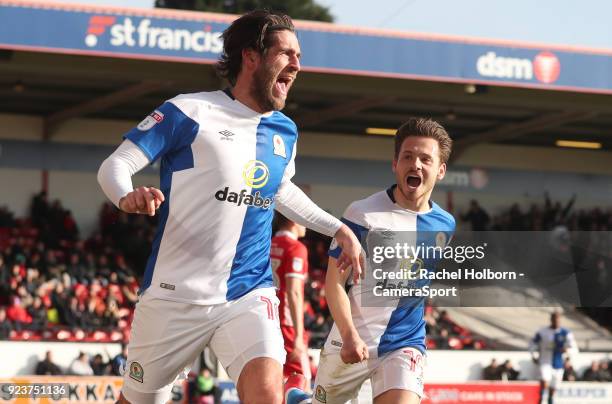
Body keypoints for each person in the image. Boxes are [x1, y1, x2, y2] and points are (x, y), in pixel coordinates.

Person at [97, 10, 362, 404]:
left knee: (268, 393)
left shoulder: (284, 130)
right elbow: (116, 165)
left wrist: (337, 228)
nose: (297, 65)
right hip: (174, 294)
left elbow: (280, 190)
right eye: (287, 53)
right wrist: (125, 195)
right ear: (251, 56)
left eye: (299, 56)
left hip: (247, 291)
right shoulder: (188, 111)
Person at [288, 118, 455, 404]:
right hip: (351, 339)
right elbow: (334, 283)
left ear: (440, 170)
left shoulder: (445, 224)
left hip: (404, 343)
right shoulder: (362, 215)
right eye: (408, 156)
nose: (415, 164)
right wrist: (349, 334)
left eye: (425, 159)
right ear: (395, 164)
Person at [270, 213, 311, 392]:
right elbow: (293, 292)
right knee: (303, 381)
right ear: (294, 220)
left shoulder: (266, 244)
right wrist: (298, 337)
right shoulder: (296, 248)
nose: (307, 224)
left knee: (274, 381)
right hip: (287, 324)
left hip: (267, 319)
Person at [529, 312, 578, 404]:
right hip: (545, 361)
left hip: (559, 364)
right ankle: (541, 398)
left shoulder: (566, 333)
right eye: (554, 320)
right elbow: (532, 343)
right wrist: (533, 355)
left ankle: (550, 400)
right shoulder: (542, 332)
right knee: (544, 380)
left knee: (553, 388)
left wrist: (568, 353)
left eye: (558, 320)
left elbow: (574, 348)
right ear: (551, 320)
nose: (556, 322)